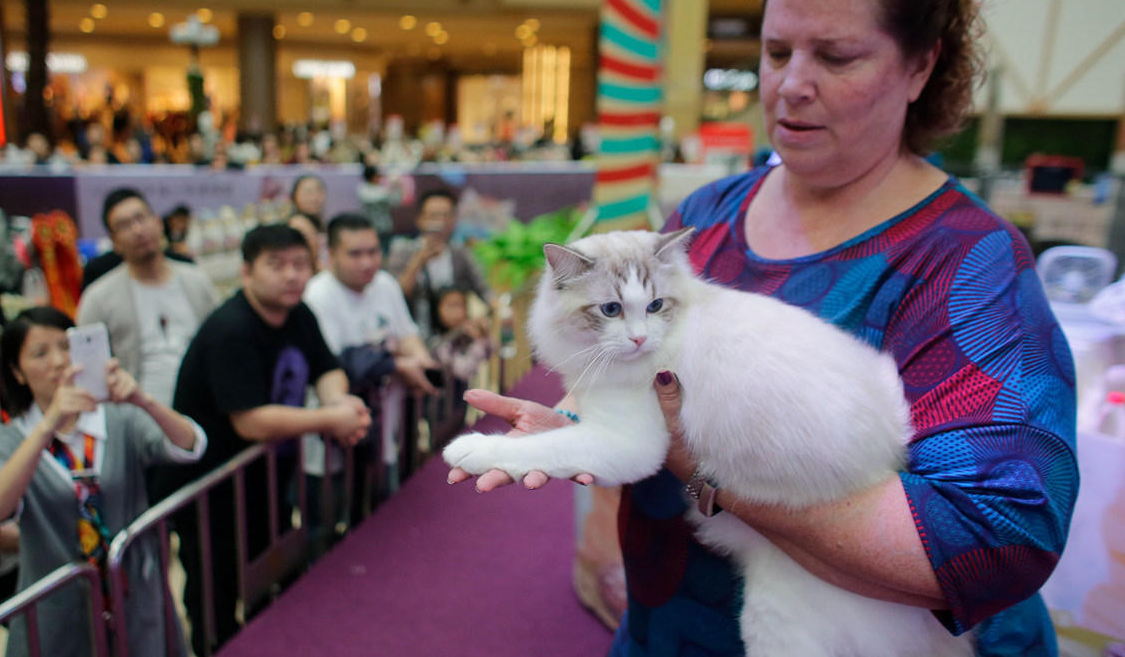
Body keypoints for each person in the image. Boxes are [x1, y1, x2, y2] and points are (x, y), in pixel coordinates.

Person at [449, 1, 1079, 656]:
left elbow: (996, 536)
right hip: (672, 624)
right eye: (776, 53)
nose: (790, 84)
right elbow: (635, 374)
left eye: (835, 57)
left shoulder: (969, 264)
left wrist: (700, 463)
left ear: (920, 67)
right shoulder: (710, 213)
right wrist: (587, 410)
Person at [165, 224, 369, 655]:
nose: (292, 276)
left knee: (272, 573)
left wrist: (341, 403)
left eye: (300, 265)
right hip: (211, 487)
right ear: (246, 272)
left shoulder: (297, 313)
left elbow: (326, 366)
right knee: (214, 593)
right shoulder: (231, 329)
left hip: (265, 478)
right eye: (276, 265)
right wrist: (330, 417)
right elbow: (251, 423)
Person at [0, 306, 206, 657]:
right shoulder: (14, 439)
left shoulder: (117, 418)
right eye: (40, 353)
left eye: (67, 346)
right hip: (56, 610)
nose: (59, 361)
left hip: (135, 594)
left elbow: (188, 445)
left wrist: (143, 399)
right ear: (18, 373)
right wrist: (48, 426)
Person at [302, 214, 438, 538]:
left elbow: (407, 333)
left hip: (382, 424)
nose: (367, 262)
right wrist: (396, 365)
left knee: (381, 518)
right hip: (331, 432)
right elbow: (333, 364)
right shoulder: (317, 296)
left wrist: (420, 360)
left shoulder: (385, 284)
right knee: (327, 522)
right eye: (355, 254)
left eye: (373, 251)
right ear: (330, 255)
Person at [77, 188, 219, 407]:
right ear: (114, 241)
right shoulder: (98, 298)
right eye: (124, 226)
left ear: (158, 223)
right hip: (136, 414)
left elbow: (220, 342)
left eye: (141, 218)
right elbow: (89, 376)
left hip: (203, 405)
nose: (138, 231)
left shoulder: (196, 280)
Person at [386, 188, 494, 338]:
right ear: (419, 219)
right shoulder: (403, 250)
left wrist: (496, 310)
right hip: (412, 335)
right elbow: (394, 295)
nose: (440, 222)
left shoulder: (460, 253)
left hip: (455, 336)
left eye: (446, 215)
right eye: (433, 216)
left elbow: (485, 290)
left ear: (454, 219)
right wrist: (418, 261)